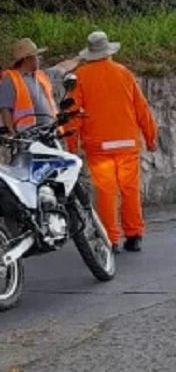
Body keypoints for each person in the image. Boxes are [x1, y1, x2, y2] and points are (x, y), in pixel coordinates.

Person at [65, 31, 159, 254]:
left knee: (106, 192)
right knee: (130, 190)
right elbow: (141, 108)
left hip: (100, 146)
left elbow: (72, 114)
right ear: (108, 52)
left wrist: (71, 147)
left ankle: (111, 238)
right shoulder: (123, 73)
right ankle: (134, 235)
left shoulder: (81, 76)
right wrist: (150, 136)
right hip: (127, 143)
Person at [0, 38, 81, 133]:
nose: (39, 59)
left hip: (50, 132)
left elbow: (62, 67)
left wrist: (80, 58)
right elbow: (5, 110)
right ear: (27, 59)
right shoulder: (11, 79)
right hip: (28, 137)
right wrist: (12, 136)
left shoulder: (41, 75)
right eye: (37, 56)